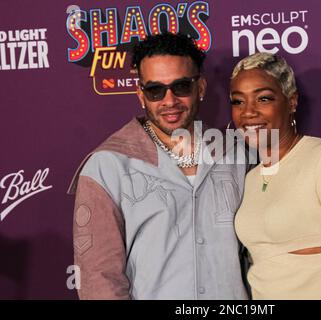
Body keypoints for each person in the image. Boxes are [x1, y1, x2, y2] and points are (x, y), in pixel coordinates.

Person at [67, 32, 248, 300]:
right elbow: (98, 278)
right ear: (141, 95)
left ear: (201, 88)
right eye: (155, 90)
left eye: (181, 87)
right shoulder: (107, 165)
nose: (169, 100)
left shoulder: (236, 153)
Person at [230, 52, 321, 299]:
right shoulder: (251, 177)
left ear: (291, 102)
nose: (248, 112)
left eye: (263, 98)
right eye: (238, 101)